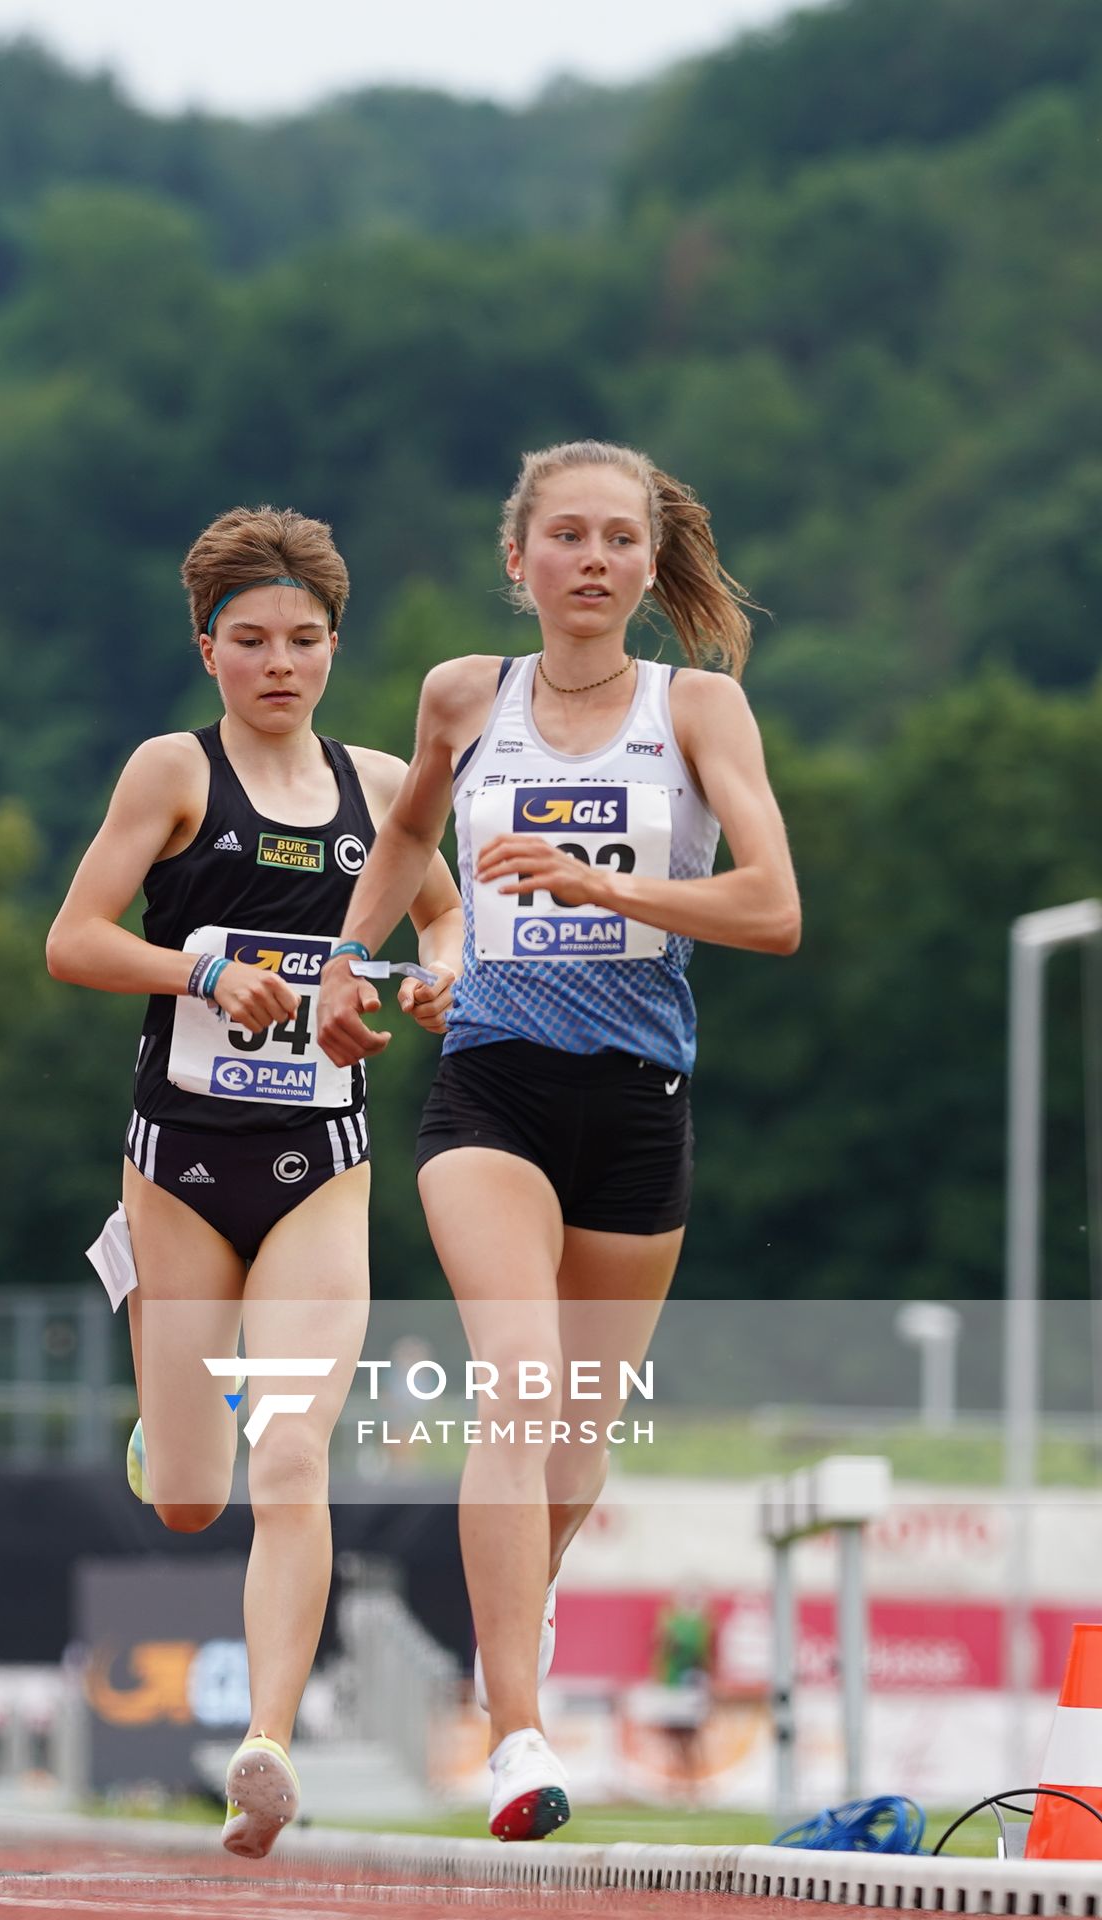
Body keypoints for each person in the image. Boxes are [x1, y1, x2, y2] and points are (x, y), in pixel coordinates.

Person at [317, 439, 800, 1840]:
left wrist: (602, 879)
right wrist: (352, 963)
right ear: (517, 557)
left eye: (619, 540)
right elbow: (407, 835)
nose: (592, 560)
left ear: (651, 566)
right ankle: (520, 1732)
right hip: (494, 1088)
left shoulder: (699, 709)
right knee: (518, 1391)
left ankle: (495, 1648)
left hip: (640, 1108)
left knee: (576, 1454)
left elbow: (772, 909)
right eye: (567, 536)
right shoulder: (465, 699)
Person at [46, 505, 462, 1857]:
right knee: (189, 1494)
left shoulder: (379, 789)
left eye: (304, 641)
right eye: (250, 642)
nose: (279, 664)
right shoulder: (172, 774)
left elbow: (441, 906)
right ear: (207, 648)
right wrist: (206, 973)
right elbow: (75, 939)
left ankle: (265, 1745)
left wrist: (444, 975)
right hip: (176, 1170)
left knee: (293, 1459)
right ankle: (160, 1414)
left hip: (316, 1175)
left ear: (336, 645)